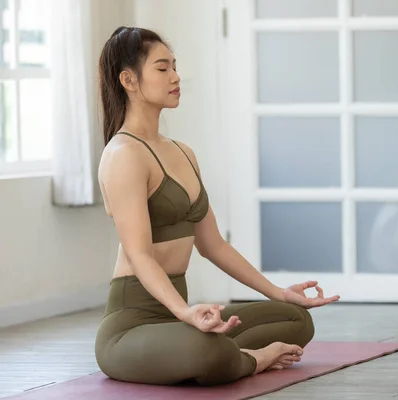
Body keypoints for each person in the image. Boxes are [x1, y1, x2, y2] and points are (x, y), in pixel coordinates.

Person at [94, 26, 340, 386]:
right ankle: (252, 358)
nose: (176, 76)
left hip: (179, 318)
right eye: (162, 68)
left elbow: (213, 246)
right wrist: (185, 312)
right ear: (129, 80)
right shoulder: (123, 155)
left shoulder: (182, 153)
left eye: (174, 66)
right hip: (132, 327)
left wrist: (278, 292)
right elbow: (139, 255)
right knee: (207, 350)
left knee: (295, 319)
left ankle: (223, 353)